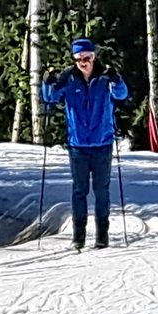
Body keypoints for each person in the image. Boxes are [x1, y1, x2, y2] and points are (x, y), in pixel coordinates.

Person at [40, 37, 129, 251]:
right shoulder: (69, 78)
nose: (83, 62)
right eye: (79, 58)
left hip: (102, 142)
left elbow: (122, 94)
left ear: (94, 56)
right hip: (78, 144)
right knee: (79, 191)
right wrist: (47, 82)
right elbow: (51, 99)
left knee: (102, 191)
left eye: (87, 58)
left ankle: (102, 236)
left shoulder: (105, 78)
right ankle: (78, 237)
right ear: (74, 59)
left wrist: (117, 80)